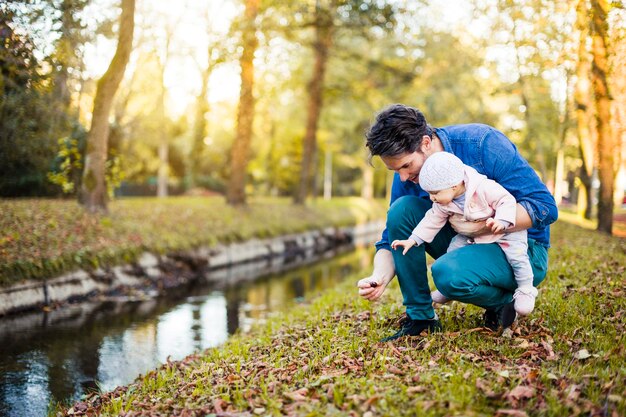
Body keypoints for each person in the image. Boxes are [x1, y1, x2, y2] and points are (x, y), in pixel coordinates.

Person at [357, 104, 558, 341]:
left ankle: (507, 302)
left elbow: (545, 207)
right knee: (402, 210)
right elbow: (391, 238)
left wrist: (484, 225)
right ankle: (421, 318)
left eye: (406, 166)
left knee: (447, 274)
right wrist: (378, 277)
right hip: (467, 241)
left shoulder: (482, 143)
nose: (402, 177)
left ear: (425, 143)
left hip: (521, 247)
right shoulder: (407, 176)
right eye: (394, 170)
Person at [390, 151, 538, 318]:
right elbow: (431, 220)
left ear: (454, 185)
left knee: (517, 256)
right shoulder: (443, 201)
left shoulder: (483, 187)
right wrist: (413, 240)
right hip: (472, 234)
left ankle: (526, 289)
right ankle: (448, 289)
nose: (432, 198)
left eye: (435, 193)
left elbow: (506, 200)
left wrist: (502, 221)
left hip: (504, 232)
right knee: (453, 250)